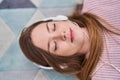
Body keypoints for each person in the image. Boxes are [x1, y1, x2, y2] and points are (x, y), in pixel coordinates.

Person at [19, 0, 120, 80]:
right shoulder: (104, 75)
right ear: (62, 63)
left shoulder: (96, 2)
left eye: (53, 27)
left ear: (60, 18)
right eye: (54, 45)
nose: (61, 34)